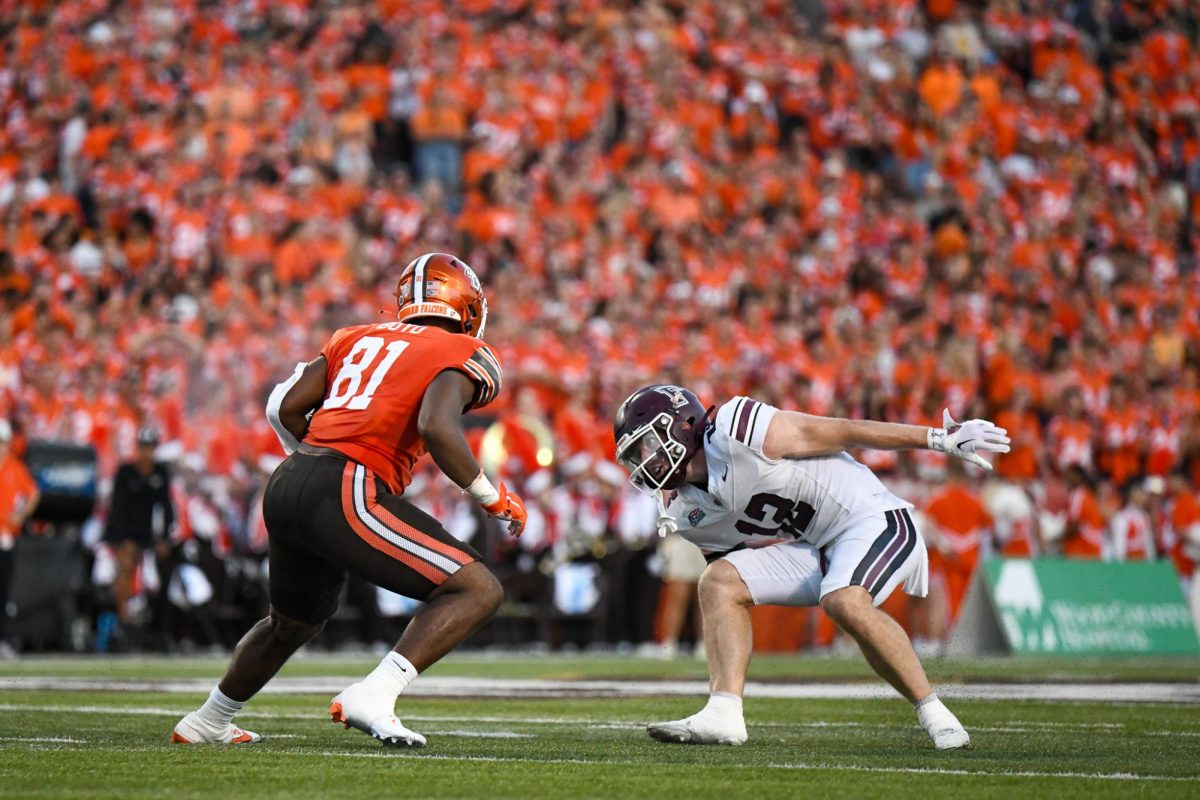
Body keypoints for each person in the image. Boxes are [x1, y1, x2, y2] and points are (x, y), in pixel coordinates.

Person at [172, 253, 526, 747]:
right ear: (466, 306)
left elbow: (282, 405)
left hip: (290, 479)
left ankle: (207, 720)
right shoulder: (464, 349)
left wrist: (314, 461)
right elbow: (436, 426)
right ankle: (376, 693)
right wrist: (492, 497)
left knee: (292, 622)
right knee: (477, 589)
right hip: (346, 483)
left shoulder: (354, 336)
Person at [612, 385, 1010, 749]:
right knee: (717, 583)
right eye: (636, 455)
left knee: (844, 601)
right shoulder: (685, 510)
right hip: (817, 546)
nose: (645, 461)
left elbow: (844, 430)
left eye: (647, 445)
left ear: (683, 425)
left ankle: (936, 713)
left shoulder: (738, 430)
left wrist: (937, 438)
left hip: (871, 517)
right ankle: (724, 712)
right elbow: (731, 567)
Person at [104, 426, 174, 627]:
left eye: (150, 447)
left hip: (148, 535)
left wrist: (164, 538)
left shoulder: (161, 473)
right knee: (125, 567)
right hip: (124, 534)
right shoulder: (125, 472)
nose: (146, 452)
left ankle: (158, 624)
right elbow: (117, 508)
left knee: (164, 569)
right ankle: (122, 618)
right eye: (143, 447)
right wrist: (123, 539)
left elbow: (166, 507)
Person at [0, 420, 40, 657]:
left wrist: (22, 514)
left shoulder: (15, 468)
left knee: (3, 592)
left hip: (5, 537)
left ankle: (1, 638)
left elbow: (34, 493)